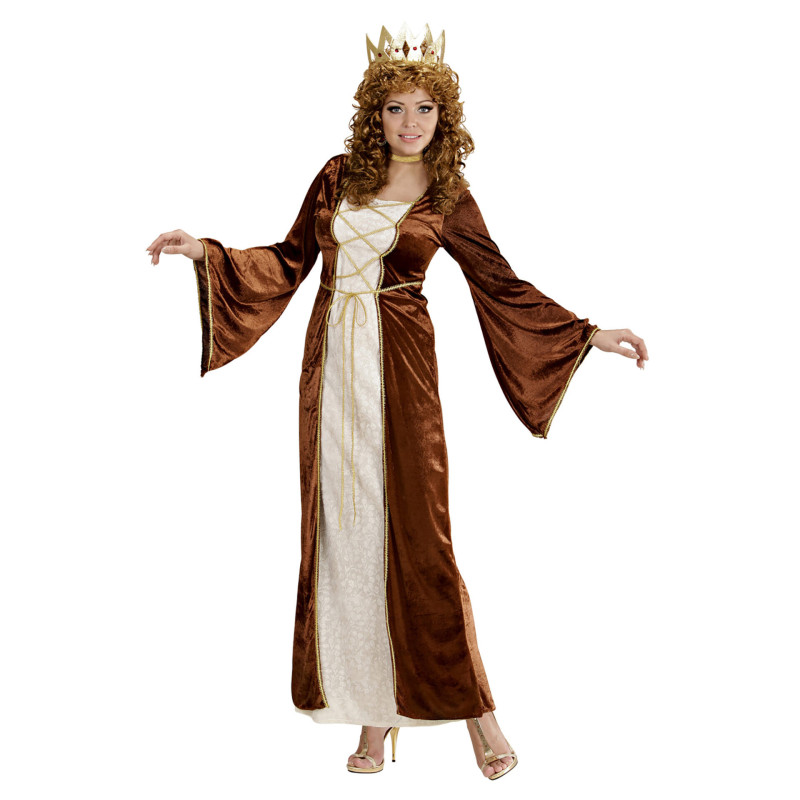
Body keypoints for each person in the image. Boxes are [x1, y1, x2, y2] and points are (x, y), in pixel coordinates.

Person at [146, 22, 648, 781]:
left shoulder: (448, 196)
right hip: (330, 375)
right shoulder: (336, 176)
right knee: (346, 537)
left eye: (424, 109)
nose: (410, 123)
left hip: (402, 377)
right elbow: (290, 259)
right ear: (373, 114)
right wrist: (206, 252)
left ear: (444, 116)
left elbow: (501, 285)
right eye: (394, 108)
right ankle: (374, 717)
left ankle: (479, 714)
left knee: (421, 539)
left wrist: (587, 335)